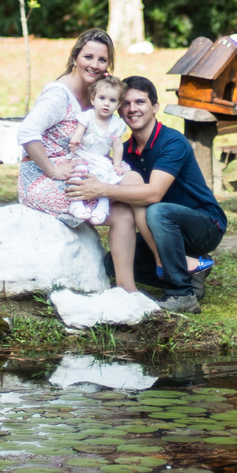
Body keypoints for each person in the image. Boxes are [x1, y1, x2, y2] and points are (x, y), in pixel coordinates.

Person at [66, 75, 227, 314]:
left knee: (157, 210)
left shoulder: (172, 142)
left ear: (155, 107)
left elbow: (153, 194)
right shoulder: (125, 153)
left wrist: (101, 188)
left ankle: (181, 294)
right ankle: (192, 270)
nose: (132, 109)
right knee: (114, 263)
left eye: (140, 102)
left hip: (204, 224)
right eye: (126, 103)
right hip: (162, 228)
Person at [16, 29, 141, 292]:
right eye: (88, 57)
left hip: (79, 167)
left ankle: (127, 290)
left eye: (102, 60)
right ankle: (164, 263)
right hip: (41, 178)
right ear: (75, 57)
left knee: (123, 212)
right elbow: (26, 131)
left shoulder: (95, 93)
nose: (94, 65)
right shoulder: (59, 95)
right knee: (127, 195)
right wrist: (51, 169)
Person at [67, 75, 129, 226]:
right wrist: (75, 140)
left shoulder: (116, 124)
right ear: (93, 99)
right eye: (102, 98)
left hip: (100, 158)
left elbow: (117, 146)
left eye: (112, 100)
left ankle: (102, 208)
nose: (106, 103)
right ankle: (76, 204)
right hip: (83, 154)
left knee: (108, 178)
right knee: (79, 171)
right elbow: (78, 133)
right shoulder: (87, 117)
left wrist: (117, 164)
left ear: (119, 104)